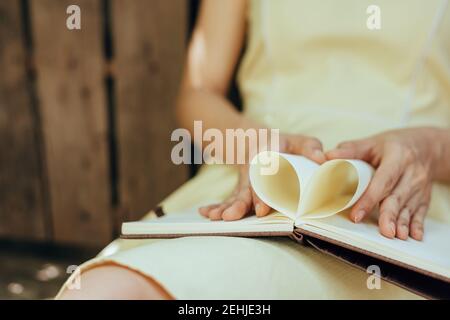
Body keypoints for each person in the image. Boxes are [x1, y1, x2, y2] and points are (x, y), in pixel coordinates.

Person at [58, 0, 450, 299]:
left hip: (404, 203)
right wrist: (247, 140)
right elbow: (198, 91)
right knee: (104, 289)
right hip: (254, 177)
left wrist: (430, 149)